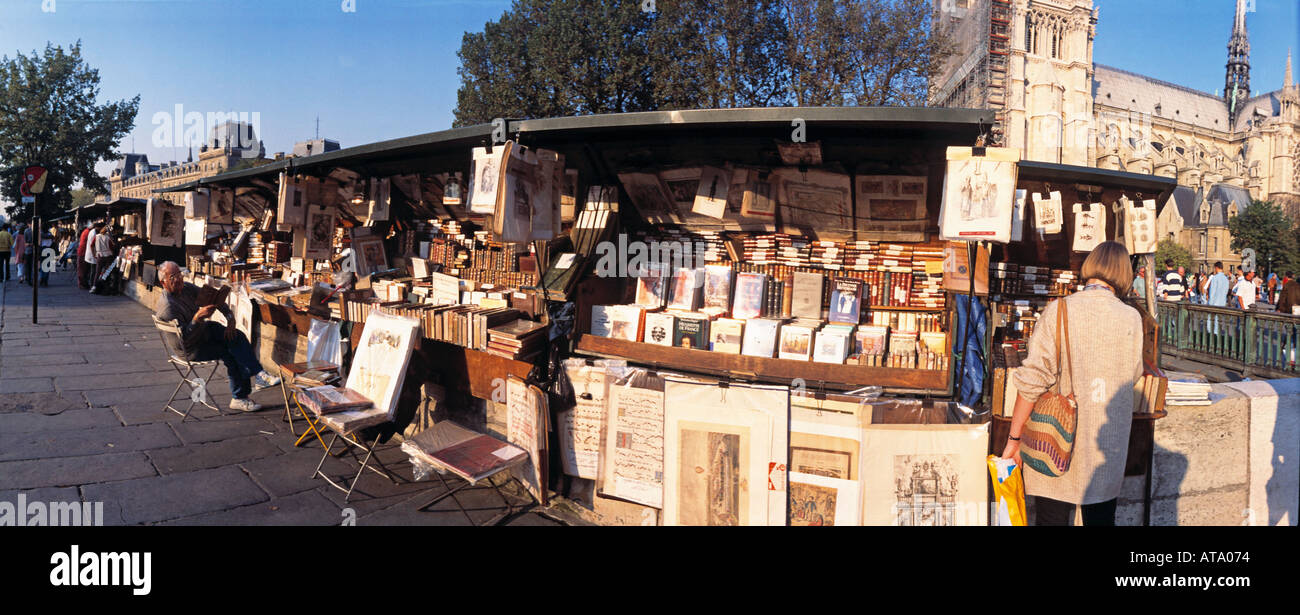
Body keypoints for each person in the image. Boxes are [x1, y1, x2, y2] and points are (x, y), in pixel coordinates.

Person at [1002, 241, 1144, 526]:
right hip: (1107, 442)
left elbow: (1033, 380)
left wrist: (1014, 439)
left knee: (1051, 519)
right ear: (1124, 274)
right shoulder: (1132, 317)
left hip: (1055, 439)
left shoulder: (1060, 310)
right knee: (1101, 520)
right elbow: (1133, 374)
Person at [154, 261, 280, 412]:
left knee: (236, 336)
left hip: (203, 331)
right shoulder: (168, 307)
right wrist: (196, 319)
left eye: (180, 274)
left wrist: (230, 318)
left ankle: (259, 375)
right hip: (190, 347)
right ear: (163, 282)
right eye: (173, 276)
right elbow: (183, 341)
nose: (179, 279)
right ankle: (240, 397)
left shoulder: (186, 288)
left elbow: (214, 298)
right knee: (230, 351)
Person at [82, 222, 100, 290]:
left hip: (91, 254)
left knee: (92, 270)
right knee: (93, 271)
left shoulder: (92, 231)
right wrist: (94, 254)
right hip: (92, 254)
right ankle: (92, 285)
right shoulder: (93, 233)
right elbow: (92, 245)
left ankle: (91, 284)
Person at [76, 222, 94, 289]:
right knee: (82, 269)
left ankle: (83, 283)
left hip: (83, 252)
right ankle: (82, 284)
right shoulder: (88, 232)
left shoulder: (86, 231)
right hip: (83, 252)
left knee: (84, 269)